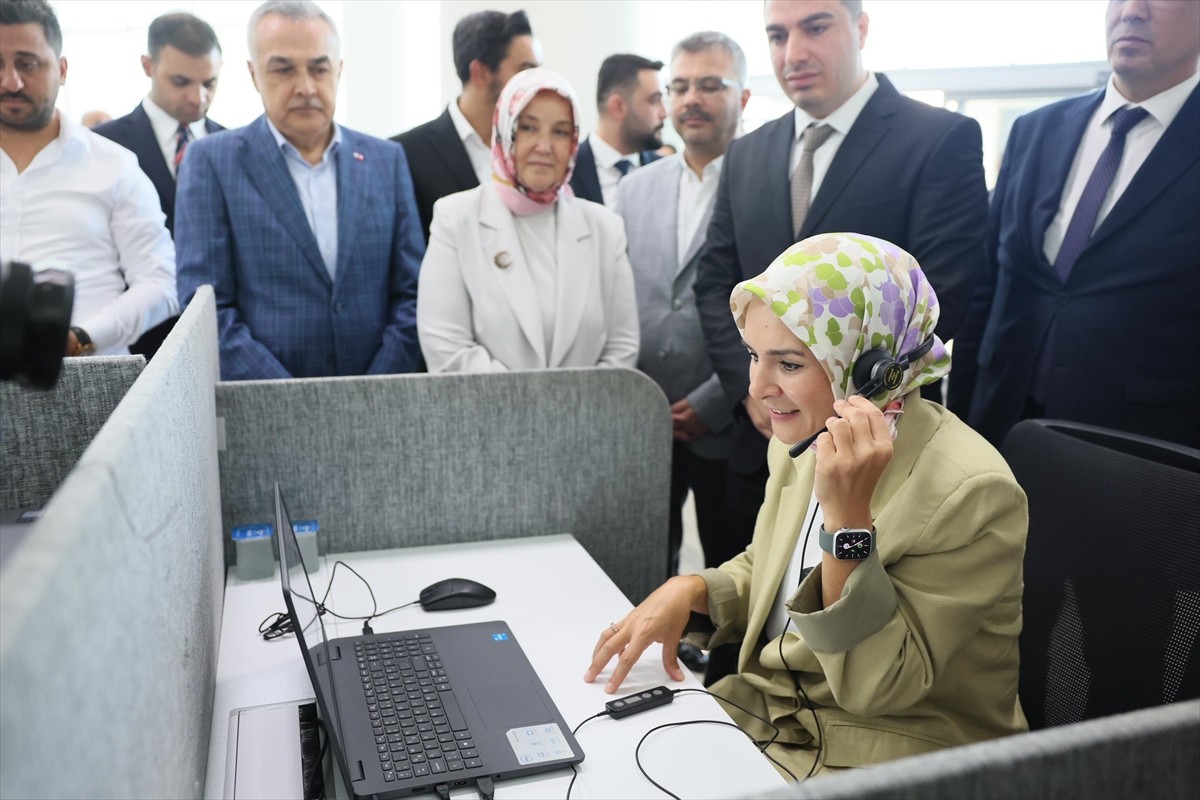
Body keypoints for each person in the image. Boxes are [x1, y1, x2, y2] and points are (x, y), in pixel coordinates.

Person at [585, 233, 1028, 779]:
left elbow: (879, 684)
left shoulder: (972, 490)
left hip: (898, 753)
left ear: (873, 367)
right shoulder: (805, 436)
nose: (759, 386)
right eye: (753, 356)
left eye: (789, 364)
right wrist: (695, 590)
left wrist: (848, 520)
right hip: (776, 716)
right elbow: (775, 569)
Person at [694, 0, 988, 576]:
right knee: (740, 619)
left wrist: (830, 398)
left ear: (862, 26)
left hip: (880, 449)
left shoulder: (937, 138)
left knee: (850, 638)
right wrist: (759, 385)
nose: (792, 52)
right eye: (776, 35)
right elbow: (714, 282)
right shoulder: (747, 153)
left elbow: (942, 293)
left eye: (815, 27)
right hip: (761, 444)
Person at [949, 0, 1200, 449]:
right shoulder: (1036, 129)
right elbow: (986, 287)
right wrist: (955, 422)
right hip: (997, 420)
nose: (1132, 12)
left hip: (1138, 445)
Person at [175, 0, 423, 381]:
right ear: (254, 74)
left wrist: (374, 390)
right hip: (265, 409)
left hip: (381, 400)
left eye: (319, 68)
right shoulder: (212, 162)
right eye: (283, 69)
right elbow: (206, 310)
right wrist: (293, 403)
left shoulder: (386, 160)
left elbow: (414, 294)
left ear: (338, 71)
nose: (306, 87)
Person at [617, 31, 751, 576]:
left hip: (730, 417)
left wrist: (714, 401)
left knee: (730, 567)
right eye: (679, 86)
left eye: (710, 85)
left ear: (743, 98)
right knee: (646, 565)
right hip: (645, 417)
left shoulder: (764, 183)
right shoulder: (633, 188)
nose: (691, 98)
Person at [417, 67, 639, 372]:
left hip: (587, 418)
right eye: (529, 128)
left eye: (560, 131)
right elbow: (447, 348)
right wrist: (530, 410)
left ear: (574, 141)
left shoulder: (605, 228)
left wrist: (579, 411)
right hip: (488, 417)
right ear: (505, 131)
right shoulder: (455, 219)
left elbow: (621, 349)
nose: (544, 146)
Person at [0, 0, 177, 358]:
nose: (11, 81)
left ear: (62, 70)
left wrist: (78, 338)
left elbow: (161, 283)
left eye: (27, 64)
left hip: (90, 379)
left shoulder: (114, 166)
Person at [94, 12, 225, 360]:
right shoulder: (103, 148)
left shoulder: (235, 147)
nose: (198, 97)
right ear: (147, 65)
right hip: (138, 346)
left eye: (209, 83)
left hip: (222, 340)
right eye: (181, 82)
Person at [392, 9, 538, 243]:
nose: (536, 83)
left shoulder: (536, 151)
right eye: (525, 70)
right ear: (480, 73)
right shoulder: (404, 154)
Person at [569, 53, 666, 207]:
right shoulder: (567, 170)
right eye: (654, 100)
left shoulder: (665, 174)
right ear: (618, 107)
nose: (664, 113)